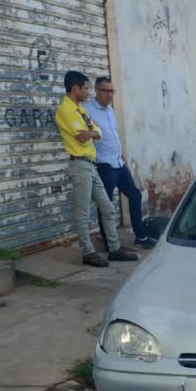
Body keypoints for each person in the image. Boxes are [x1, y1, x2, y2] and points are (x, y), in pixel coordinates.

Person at [56, 70, 137, 267]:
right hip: (80, 164)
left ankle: (114, 249)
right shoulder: (66, 110)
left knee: (108, 208)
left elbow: (96, 132)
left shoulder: (80, 109)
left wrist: (92, 132)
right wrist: (92, 132)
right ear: (75, 88)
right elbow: (82, 137)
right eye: (85, 88)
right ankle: (88, 252)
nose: (88, 92)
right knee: (83, 212)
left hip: (90, 164)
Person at [85, 76, 154, 250]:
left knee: (135, 195)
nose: (109, 94)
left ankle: (140, 236)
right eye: (106, 91)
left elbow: (114, 137)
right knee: (106, 204)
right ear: (97, 90)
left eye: (112, 91)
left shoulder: (110, 110)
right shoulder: (87, 110)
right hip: (103, 164)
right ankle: (109, 242)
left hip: (118, 163)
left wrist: (123, 159)